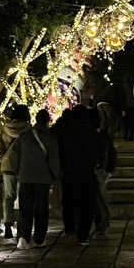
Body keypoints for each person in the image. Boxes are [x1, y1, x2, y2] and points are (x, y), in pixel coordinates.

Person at [11, 109, 60, 250]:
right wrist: (55, 175)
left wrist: (17, 171)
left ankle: (23, 237)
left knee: (25, 208)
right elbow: (53, 160)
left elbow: (14, 155)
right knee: (41, 209)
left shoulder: (24, 137)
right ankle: (39, 238)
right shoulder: (50, 138)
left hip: (25, 177)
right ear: (47, 121)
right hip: (42, 178)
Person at [55, 104, 99, 245]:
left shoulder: (65, 130)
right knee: (87, 204)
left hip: (69, 171)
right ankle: (83, 234)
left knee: (69, 201)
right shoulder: (89, 130)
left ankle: (70, 229)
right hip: (86, 171)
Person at [0, 104, 30, 239]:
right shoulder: (28, 130)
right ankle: (20, 227)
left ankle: (8, 226)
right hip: (24, 167)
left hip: (8, 168)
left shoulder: (4, 130)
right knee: (23, 198)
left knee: (8, 197)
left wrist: (5, 160)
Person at [94, 107, 118, 235]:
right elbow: (112, 152)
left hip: (99, 169)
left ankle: (103, 221)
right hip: (101, 168)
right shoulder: (103, 135)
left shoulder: (100, 135)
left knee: (99, 197)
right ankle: (102, 221)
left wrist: (108, 169)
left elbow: (111, 153)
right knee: (99, 197)